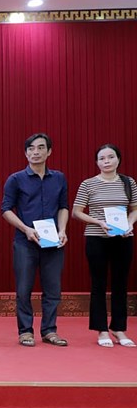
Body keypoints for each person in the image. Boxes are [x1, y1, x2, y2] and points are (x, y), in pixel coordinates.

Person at [2, 133, 69, 347]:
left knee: (53, 289)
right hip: (25, 241)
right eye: (31, 148)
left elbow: (64, 207)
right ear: (25, 153)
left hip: (53, 241)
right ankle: (25, 331)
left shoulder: (59, 178)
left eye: (40, 147)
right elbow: (6, 210)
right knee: (24, 289)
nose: (35, 152)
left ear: (49, 151)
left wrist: (62, 230)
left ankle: (49, 330)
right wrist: (25, 229)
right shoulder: (15, 179)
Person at [72, 143, 137, 348]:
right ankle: (101, 329)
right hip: (96, 238)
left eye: (110, 157)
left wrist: (130, 223)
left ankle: (119, 328)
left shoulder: (128, 182)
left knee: (120, 283)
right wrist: (98, 222)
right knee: (98, 284)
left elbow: (134, 209)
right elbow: (76, 212)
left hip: (123, 238)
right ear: (97, 162)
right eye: (102, 158)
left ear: (118, 159)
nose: (106, 161)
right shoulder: (88, 184)